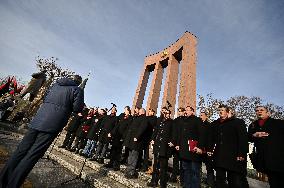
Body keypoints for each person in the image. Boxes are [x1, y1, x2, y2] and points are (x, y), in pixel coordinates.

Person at [0, 75, 84, 188]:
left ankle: (2, 180)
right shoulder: (77, 90)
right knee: (32, 155)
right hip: (53, 124)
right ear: (79, 82)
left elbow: (45, 98)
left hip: (38, 119)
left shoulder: (55, 84)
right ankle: (13, 184)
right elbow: (77, 108)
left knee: (20, 151)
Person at [209, 104, 248, 188]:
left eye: (222, 110)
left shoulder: (238, 122)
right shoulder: (215, 123)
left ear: (228, 112)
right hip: (219, 156)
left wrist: (241, 154)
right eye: (219, 110)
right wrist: (210, 150)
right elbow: (211, 138)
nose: (220, 112)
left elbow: (243, 139)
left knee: (235, 181)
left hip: (233, 157)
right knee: (220, 180)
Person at [248, 106, 284, 188]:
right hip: (265, 160)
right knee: (273, 182)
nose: (259, 111)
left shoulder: (278, 123)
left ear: (268, 113)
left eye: (261, 110)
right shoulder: (253, 125)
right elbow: (248, 137)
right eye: (257, 110)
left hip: (279, 158)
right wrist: (254, 135)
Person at [174, 106, 205, 188]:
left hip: (194, 151)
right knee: (186, 170)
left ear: (192, 112)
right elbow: (180, 134)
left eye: (188, 110)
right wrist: (178, 144)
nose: (186, 111)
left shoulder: (197, 120)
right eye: (186, 110)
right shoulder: (183, 121)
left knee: (194, 171)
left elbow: (202, 134)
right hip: (184, 151)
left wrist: (199, 147)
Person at [147, 109, 173, 188]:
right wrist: (152, 139)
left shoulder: (171, 122)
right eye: (165, 113)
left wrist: (173, 141)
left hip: (165, 148)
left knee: (163, 167)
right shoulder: (159, 121)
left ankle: (162, 184)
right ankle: (153, 181)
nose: (166, 114)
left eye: (168, 113)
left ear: (170, 114)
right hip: (157, 146)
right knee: (155, 166)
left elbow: (174, 133)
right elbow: (155, 131)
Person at [104, 106, 132, 170]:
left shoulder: (130, 118)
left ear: (128, 110)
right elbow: (117, 125)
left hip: (122, 137)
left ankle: (116, 165)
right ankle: (110, 163)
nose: (124, 111)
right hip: (116, 135)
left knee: (118, 151)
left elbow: (128, 129)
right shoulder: (122, 116)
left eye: (125, 110)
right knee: (113, 149)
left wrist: (124, 137)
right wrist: (111, 133)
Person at [124, 108, 148, 178]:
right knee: (130, 155)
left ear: (142, 112)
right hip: (132, 140)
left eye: (139, 111)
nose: (138, 112)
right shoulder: (137, 118)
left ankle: (131, 172)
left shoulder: (144, 119)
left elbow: (142, 128)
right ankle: (128, 170)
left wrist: (137, 136)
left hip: (137, 141)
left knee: (134, 155)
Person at [199, 111, 215, 188]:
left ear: (206, 117)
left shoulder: (209, 125)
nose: (200, 117)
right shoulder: (198, 125)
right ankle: (199, 180)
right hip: (199, 150)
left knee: (209, 167)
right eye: (200, 115)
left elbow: (210, 139)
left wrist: (210, 150)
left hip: (207, 150)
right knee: (198, 166)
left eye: (202, 115)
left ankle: (210, 183)